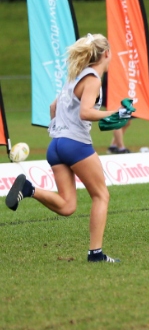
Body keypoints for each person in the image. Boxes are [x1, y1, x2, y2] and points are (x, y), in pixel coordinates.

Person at [6, 34, 128, 262]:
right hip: (75, 144)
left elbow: (54, 106)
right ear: (107, 54)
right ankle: (96, 254)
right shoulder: (92, 79)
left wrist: (57, 129)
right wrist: (115, 113)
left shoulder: (74, 76)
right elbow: (85, 113)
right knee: (101, 196)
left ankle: (29, 189)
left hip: (56, 145)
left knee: (68, 206)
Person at [101, 72, 131, 154]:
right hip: (112, 90)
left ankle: (113, 146)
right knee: (118, 119)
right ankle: (121, 148)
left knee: (127, 121)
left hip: (122, 88)